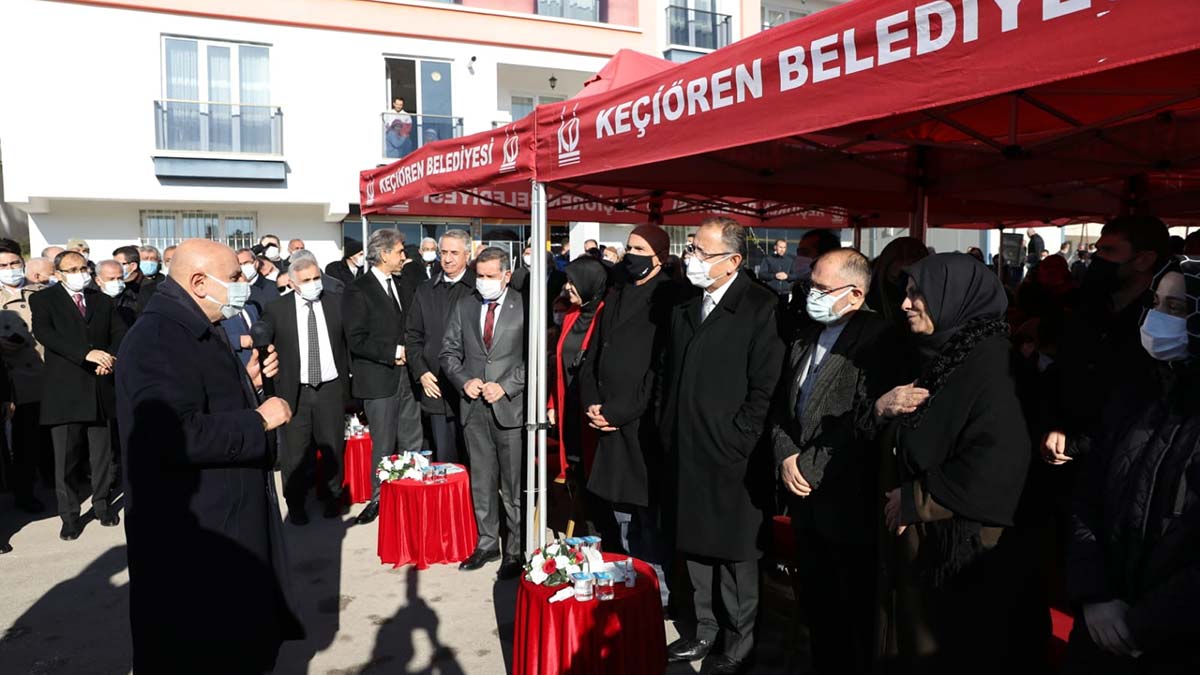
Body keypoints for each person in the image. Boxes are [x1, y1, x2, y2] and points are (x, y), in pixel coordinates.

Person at [116, 239, 303, 673]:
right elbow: (170, 435)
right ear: (199, 283)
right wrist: (257, 420)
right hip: (196, 546)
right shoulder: (158, 337)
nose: (243, 287)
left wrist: (248, 382)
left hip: (226, 526)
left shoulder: (199, 324)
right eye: (235, 278)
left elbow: (205, 401)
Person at [876, 253, 1031, 672]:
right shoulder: (943, 355)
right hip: (927, 546)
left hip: (965, 553)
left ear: (954, 297)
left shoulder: (992, 365)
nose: (906, 304)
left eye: (916, 294)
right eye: (906, 293)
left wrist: (918, 499)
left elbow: (999, 458)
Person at [1063, 256, 1200, 674]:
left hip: (1177, 641)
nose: (1158, 318)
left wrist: (1142, 625)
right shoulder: (1135, 393)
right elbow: (1086, 497)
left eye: (1176, 308)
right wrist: (1095, 595)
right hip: (1102, 629)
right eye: (1155, 302)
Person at [662, 218, 784, 675]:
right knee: (695, 546)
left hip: (734, 455)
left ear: (733, 261)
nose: (691, 258)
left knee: (735, 553)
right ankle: (703, 630)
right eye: (691, 248)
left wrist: (739, 439)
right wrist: (668, 426)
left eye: (701, 252)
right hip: (687, 446)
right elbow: (669, 372)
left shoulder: (760, 306)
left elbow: (765, 387)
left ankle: (738, 641)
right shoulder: (686, 303)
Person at [769, 249, 891, 674]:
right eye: (810, 285)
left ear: (855, 295)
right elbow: (784, 407)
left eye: (821, 289)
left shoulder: (879, 340)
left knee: (851, 611)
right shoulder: (805, 334)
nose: (810, 295)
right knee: (819, 607)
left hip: (846, 497)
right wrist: (786, 454)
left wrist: (811, 465)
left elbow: (866, 416)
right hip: (804, 499)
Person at [580, 224, 679, 603]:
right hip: (607, 419)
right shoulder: (616, 292)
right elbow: (594, 355)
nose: (630, 254)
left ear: (660, 257)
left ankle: (659, 591)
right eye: (628, 247)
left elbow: (660, 368)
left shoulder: (669, 297)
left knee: (648, 516)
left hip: (641, 424)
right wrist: (592, 401)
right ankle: (632, 582)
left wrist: (621, 411)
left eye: (639, 248)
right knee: (620, 512)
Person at [1042, 216, 1169, 465]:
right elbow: (1061, 372)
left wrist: (1081, 441)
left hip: (1119, 460)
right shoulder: (1087, 310)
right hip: (1062, 452)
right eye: (1098, 249)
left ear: (1144, 260)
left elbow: (1142, 401)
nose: (1097, 257)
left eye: (1109, 250)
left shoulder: (1161, 325)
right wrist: (1054, 424)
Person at [440, 246, 526, 580]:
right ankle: (488, 542)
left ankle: (515, 549)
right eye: (480, 276)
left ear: (506, 275)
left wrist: (506, 385)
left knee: (512, 483)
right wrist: (464, 380)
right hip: (474, 407)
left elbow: (535, 355)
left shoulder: (524, 306)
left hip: (510, 408)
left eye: (491, 276)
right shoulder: (465, 305)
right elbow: (448, 352)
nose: (485, 282)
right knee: (482, 480)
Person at [30, 250, 127, 541]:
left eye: (83, 267)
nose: (80, 273)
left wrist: (108, 359)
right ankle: (70, 516)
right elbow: (46, 334)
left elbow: (119, 333)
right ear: (58, 274)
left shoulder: (102, 301)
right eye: (72, 269)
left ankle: (102, 505)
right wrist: (86, 355)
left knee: (102, 455)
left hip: (100, 387)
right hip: (66, 391)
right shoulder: (43, 300)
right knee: (67, 459)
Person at [262, 251, 350, 525]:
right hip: (294, 390)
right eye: (307, 280)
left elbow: (348, 344)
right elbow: (268, 353)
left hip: (330, 388)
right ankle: (296, 503)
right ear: (293, 282)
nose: (314, 284)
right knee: (295, 452)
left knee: (332, 445)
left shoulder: (336, 303)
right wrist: (272, 393)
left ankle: (331, 496)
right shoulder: (277, 309)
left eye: (316, 277)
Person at [344, 228, 423, 524]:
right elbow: (356, 338)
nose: (405, 256)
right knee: (384, 443)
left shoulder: (401, 283)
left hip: (406, 377)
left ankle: (412, 491)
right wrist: (393, 352)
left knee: (412, 437)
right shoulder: (359, 289)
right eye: (400, 251)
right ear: (385, 253)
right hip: (379, 379)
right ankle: (379, 498)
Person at [405, 230, 475, 464]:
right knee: (445, 460)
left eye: (454, 253)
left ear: (467, 254)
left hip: (471, 390)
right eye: (443, 252)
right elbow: (413, 336)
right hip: (435, 387)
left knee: (474, 460)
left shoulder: (477, 289)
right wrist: (421, 372)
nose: (447, 258)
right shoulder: (425, 290)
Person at [546, 256, 607, 517]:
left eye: (573, 282)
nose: (567, 287)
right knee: (575, 469)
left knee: (594, 473)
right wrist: (551, 403)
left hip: (592, 409)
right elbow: (559, 362)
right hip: (567, 405)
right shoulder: (572, 314)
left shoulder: (606, 314)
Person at [0, 249, 47, 515]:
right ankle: (21, 491)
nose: (10, 268)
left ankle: (48, 483)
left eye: (14, 263)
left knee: (39, 438)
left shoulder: (40, 293)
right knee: (19, 442)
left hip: (42, 374)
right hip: (9, 378)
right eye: (3, 265)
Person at [237, 247, 281, 314]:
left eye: (246, 263)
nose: (243, 267)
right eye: (239, 264)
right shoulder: (233, 289)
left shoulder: (272, 288)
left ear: (256, 264)